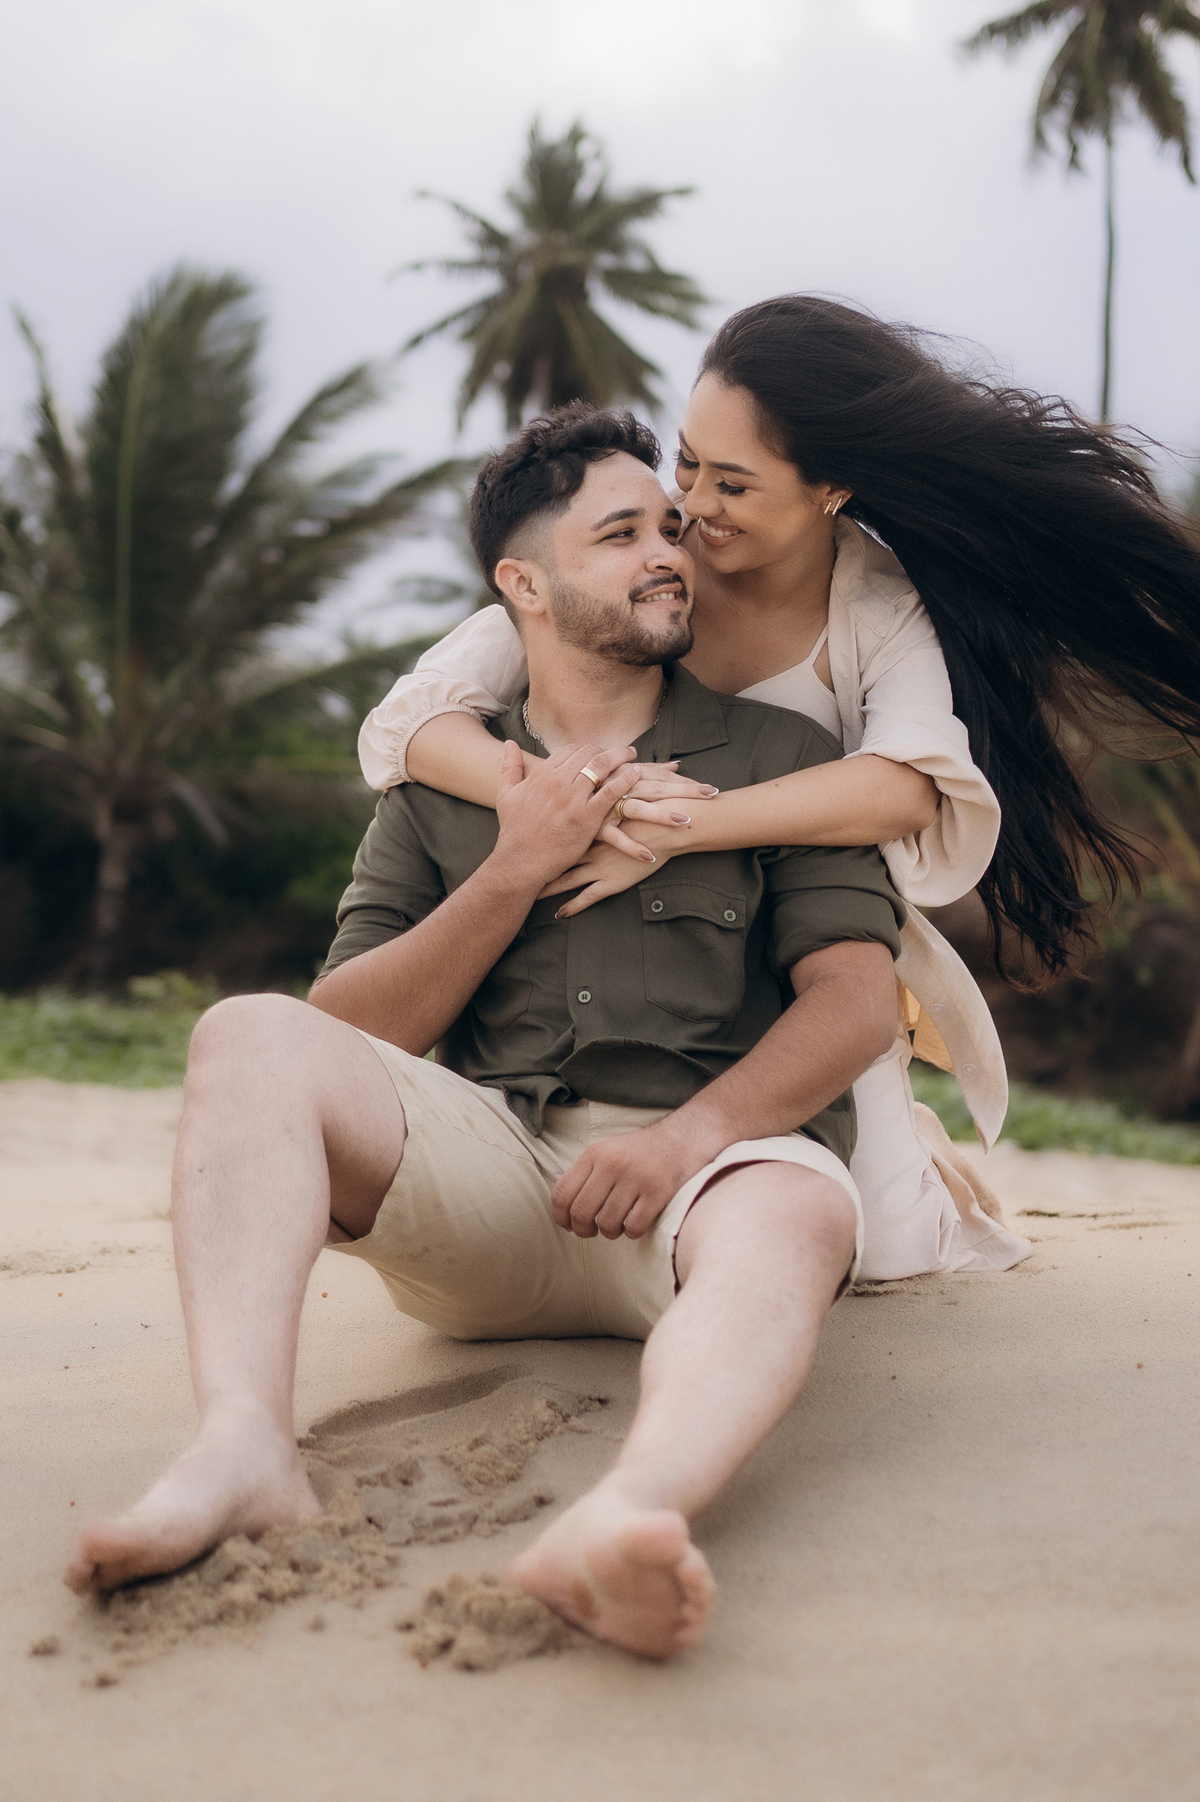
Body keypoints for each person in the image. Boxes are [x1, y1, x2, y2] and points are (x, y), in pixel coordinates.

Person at [66, 407, 908, 1660]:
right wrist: (511, 870)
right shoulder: (434, 788)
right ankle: (242, 1442)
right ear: (524, 583)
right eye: (618, 534)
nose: (666, 553)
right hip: (489, 1181)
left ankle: (631, 1509)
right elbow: (342, 1028)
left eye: (667, 527)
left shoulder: (782, 758)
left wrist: (686, 1141)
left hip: (698, 1191)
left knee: (798, 1208)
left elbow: (853, 1000)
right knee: (246, 1034)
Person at [359, 295, 1200, 1281]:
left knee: (883, 1253)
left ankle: (913, 1141)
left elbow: (904, 790)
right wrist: (565, 799)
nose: (694, 506)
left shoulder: (874, 599)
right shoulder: (650, 575)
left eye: (734, 482)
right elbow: (412, 723)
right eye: (687, 462)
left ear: (828, 487)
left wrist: (685, 827)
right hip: (670, 942)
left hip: (810, 927)